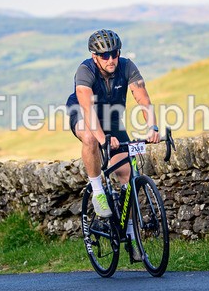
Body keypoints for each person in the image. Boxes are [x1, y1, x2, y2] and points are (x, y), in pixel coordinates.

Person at [66, 29, 160, 222]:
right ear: (95, 57)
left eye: (114, 54)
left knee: (128, 176)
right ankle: (98, 191)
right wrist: (103, 139)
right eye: (104, 55)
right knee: (90, 137)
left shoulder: (127, 66)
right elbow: (87, 110)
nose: (110, 60)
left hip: (111, 118)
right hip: (83, 113)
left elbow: (143, 99)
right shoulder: (85, 70)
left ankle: (131, 233)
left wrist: (153, 127)